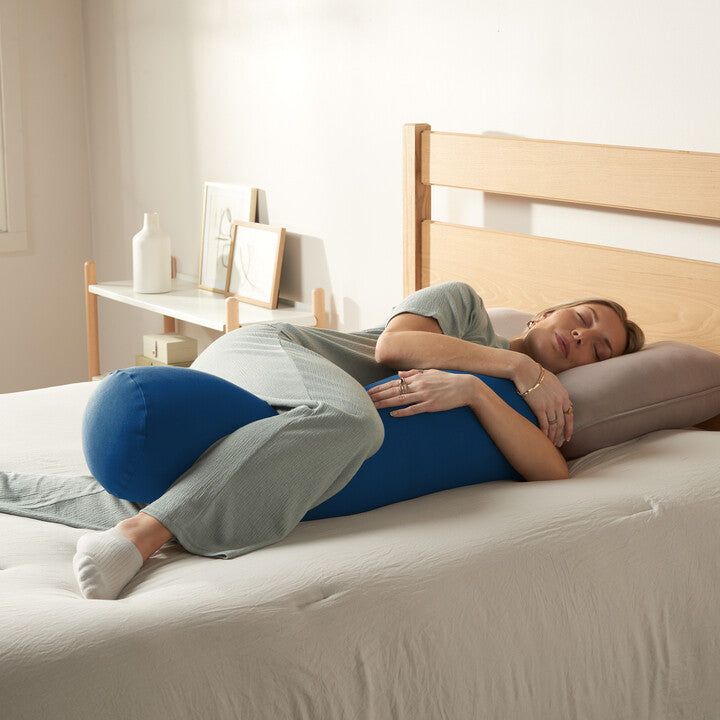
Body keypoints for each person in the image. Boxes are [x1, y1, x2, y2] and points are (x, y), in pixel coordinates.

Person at [71, 281, 644, 600]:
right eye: (583, 316)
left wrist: (477, 391)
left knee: (326, 436)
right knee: (355, 424)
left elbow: (553, 473)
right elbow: (395, 350)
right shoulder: (465, 308)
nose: (582, 336)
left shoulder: (535, 405)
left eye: (601, 349)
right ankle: (145, 532)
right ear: (547, 309)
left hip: (263, 412)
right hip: (270, 351)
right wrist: (515, 369)